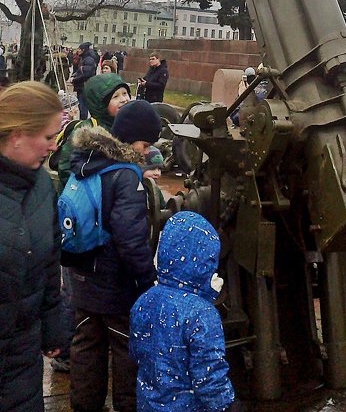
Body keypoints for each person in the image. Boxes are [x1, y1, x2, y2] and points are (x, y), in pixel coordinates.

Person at [65, 122, 156, 412]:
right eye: (144, 144)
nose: (147, 151)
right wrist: (145, 278)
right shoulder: (126, 175)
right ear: (130, 141)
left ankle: (84, 405)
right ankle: (127, 406)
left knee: (85, 346)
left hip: (81, 272)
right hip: (115, 282)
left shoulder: (85, 163)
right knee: (126, 349)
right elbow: (130, 238)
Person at [130, 211, 237, 412]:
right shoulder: (202, 314)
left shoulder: (144, 300)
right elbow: (208, 375)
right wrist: (228, 405)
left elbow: (136, 353)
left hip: (148, 404)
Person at [0, 81, 65, 412]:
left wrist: (53, 324)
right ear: (17, 135)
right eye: (48, 137)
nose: (53, 147)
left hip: (22, 352)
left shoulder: (41, 184)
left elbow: (50, 259)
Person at [70, 41, 97, 119]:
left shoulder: (88, 60)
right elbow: (80, 71)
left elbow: (86, 73)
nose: (78, 51)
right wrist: (74, 76)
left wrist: (74, 79)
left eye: (79, 49)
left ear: (83, 50)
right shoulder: (84, 59)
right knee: (81, 106)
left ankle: (83, 122)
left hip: (84, 86)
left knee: (83, 107)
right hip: (81, 86)